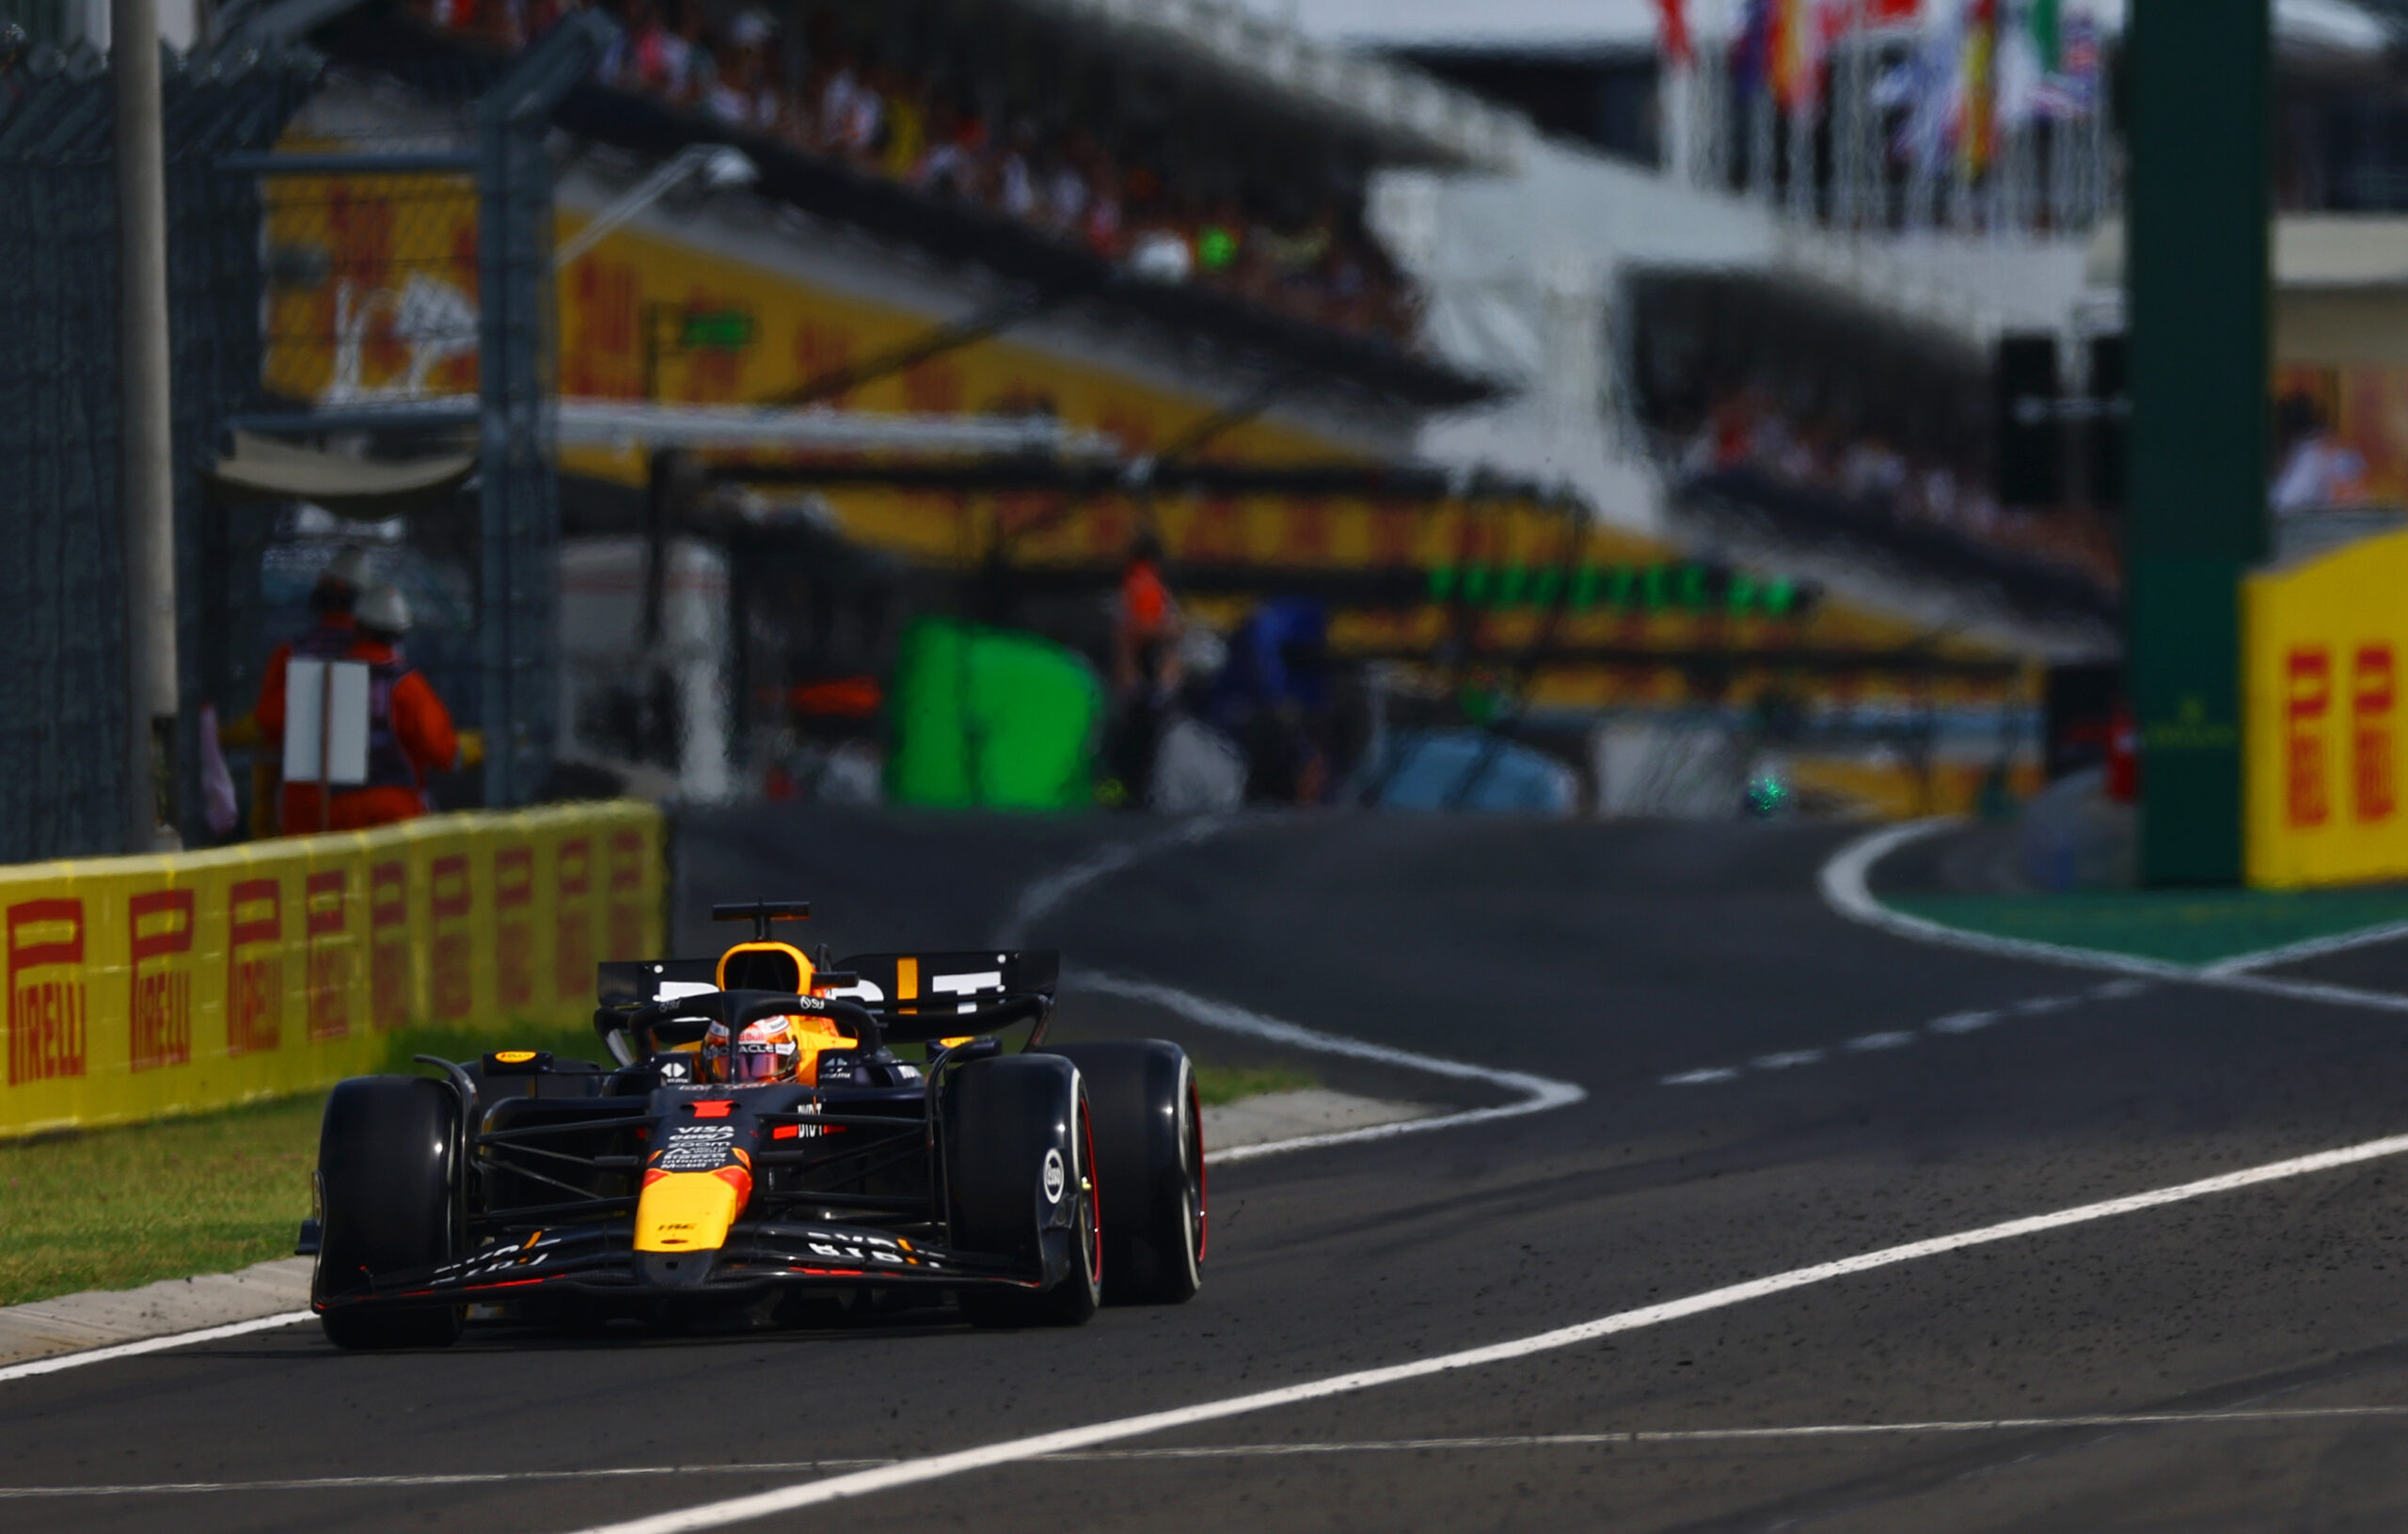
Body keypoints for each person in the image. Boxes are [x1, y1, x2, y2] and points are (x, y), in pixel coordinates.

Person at [270, 584, 462, 834]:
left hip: (333, 813)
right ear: (401, 634)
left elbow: (274, 724)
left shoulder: (325, 680)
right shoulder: (407, 685)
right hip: (395, 813)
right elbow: (442, 751)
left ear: (357, 627)